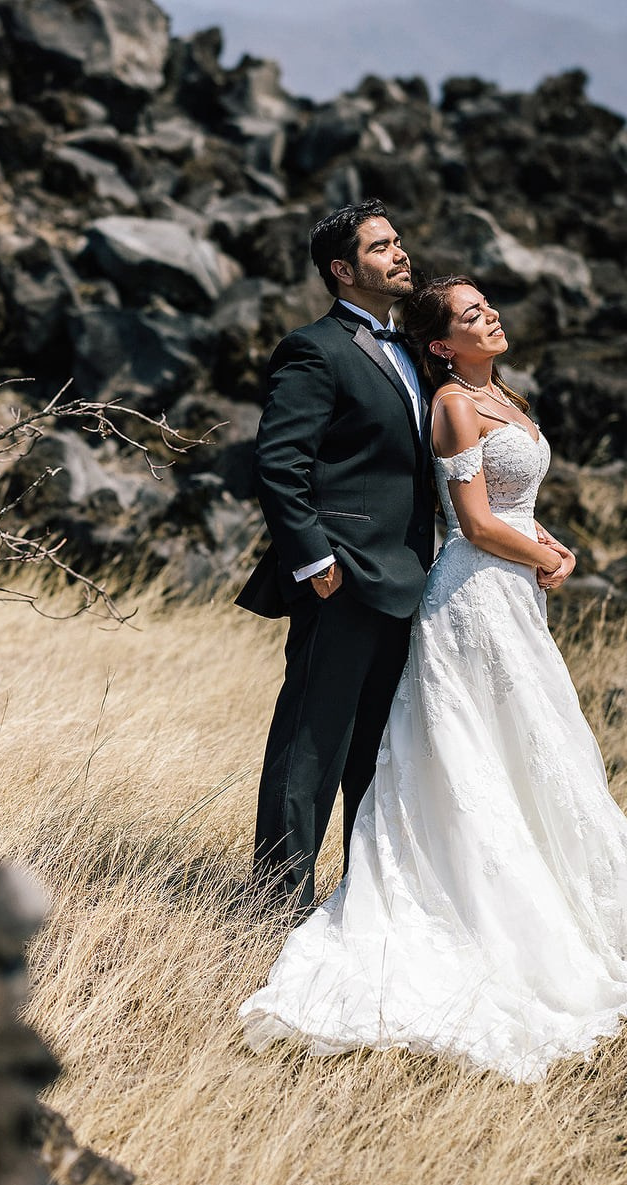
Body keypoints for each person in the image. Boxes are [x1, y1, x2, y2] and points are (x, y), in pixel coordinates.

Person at [237, 276, 627, 1082]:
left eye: (487, 305)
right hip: (473, 593)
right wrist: (548, 556)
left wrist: (544, 543)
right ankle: (332, 899)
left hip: (508, 591)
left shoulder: (504, 394)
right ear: (442, 344)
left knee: (533, 744)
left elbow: (511, 500)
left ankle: (562, 889)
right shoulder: (454, 402)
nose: (489, 315)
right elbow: (477, 521)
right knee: (455, 748)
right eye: (469, 315)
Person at [236, 199, 437, 909]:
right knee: (311, 746)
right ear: (343, 270)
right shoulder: (314, 349)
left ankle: (366, 903)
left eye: (399, 240)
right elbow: (279, 463)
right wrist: (315, 562)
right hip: (343, 580)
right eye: (382, 247)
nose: (401, 254)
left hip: (410, 582)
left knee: (379, 754)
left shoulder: (412, 351)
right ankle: (274, 905)